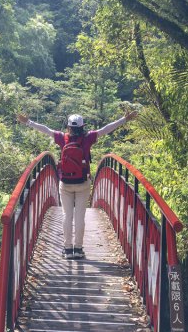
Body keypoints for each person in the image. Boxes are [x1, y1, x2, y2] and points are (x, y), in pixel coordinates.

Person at [16, 109, 138, 259]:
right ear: (82, 126)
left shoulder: (62, 138)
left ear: (68, 127)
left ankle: (67, 250)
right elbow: (106, 129)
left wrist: (28, 122)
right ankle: (78, 249)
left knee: (67, 216)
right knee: (80, 217)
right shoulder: (88, 138)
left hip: (65, 183)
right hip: (83, 182)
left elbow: (45, 130)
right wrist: (124, 119)